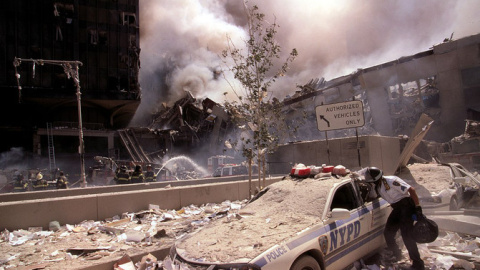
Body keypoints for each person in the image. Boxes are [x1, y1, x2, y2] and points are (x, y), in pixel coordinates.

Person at [352, 167, 424, 270]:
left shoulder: (391, 180)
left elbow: (411, 190)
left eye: (369, 177)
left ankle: (418, 264)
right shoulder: (378, 187)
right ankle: (397, 255)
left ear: (375, 178)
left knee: (406, 236)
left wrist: (418, 208)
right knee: (388, 233)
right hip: (397, 208)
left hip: (406, 207)